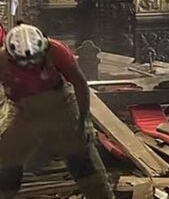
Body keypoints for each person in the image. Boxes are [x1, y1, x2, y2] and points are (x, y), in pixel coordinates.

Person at [0, 24, 113, 199]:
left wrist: (84, 118)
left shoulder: (57, 50)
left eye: (34, 61)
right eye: (23, 63)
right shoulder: (2, 59)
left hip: (60, 105)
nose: (30, 66)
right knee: (7, 159)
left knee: (81, 157)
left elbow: (79, 82)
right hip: (25, 111)